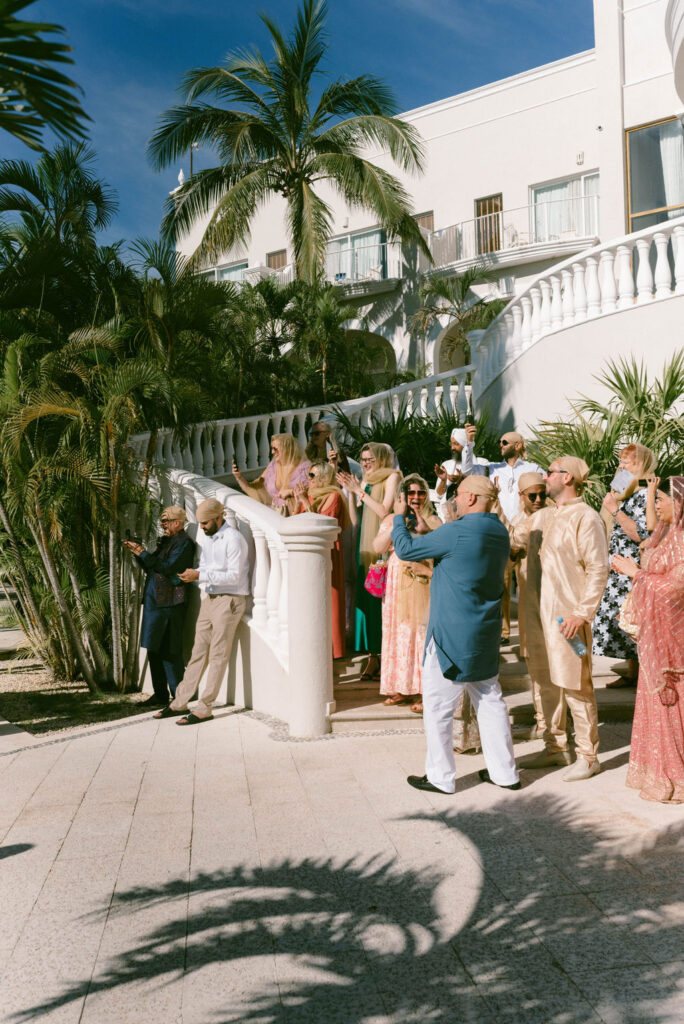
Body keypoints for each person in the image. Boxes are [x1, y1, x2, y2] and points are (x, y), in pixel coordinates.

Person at [393, 475, 520, 795]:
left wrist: (398, 518)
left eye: (459, 495)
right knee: (491, 702)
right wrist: (431, 532)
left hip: (450, 635)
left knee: (437, 706)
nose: (455, 501)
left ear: (473, 499)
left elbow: (405, 550)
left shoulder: (457, 531)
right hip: (484, 632)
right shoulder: (498, 531)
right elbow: (459, 552)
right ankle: (505, 774)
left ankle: (441, 777)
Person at [515, 457, 609, 780]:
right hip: (541, 617)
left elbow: (599, 569)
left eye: (551, 472)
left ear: (567, 477)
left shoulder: (587, 517)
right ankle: (555, 748)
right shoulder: (544, 516)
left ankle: (588, 754)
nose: (545, 477)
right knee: (545, 679)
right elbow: (512, 538)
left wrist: (581, 614)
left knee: (577, 683)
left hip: (570, 622)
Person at [613, 477, 684, 804]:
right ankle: (657, 770)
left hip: (675, 641)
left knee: (672, 701)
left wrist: (635, 573)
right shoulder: (668, 535)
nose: (656, 505)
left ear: (679, 504)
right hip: (658, 635)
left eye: (662, 499)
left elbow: (673, 589)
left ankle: (676, 776)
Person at [154, 497, 250, 725]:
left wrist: (201, 575)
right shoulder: (209, 538)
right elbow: (206, 566)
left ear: (219, 518)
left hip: (231, 600)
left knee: (218, 654)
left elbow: (235, 576)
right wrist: (194, 573)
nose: (203, 527)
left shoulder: (234, 539)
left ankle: (205, 707)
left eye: (206, 523)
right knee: (198, 653)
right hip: (211, 597)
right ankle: (179, 702)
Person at [461, 422, 543, 643]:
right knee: (502, 584)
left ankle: (531, 634)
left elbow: (542, 493)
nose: (500, 445)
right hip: (500, 530)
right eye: (500, 442)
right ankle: (504, 632)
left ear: (517, 445)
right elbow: (468, 471)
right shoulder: (492, 468)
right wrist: (469, 444)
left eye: (504, 442)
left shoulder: (533, 469)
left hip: (526, 530)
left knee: (529, 586)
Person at [372, 474, 441, 711]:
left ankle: (423, 690)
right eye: (410, 493)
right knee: (396, 632)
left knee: (420, 634)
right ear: (403, 495)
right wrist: (397, 520)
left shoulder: (434, 519)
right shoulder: (393, 518)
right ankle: (400, 688)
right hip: (395, 582)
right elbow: (377, 547)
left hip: (421, 580)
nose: (416, 497)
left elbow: (441, 549)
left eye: (420, 493)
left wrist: (427, 529)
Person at [593, 443, 656, 685]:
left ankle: (641, 675)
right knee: (624, 619)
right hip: (619, 566)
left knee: (633, 619)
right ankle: (633, 672)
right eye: (621, 461)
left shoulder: (645, 491)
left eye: (627, 462)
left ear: (640, 465)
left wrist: (616, 509)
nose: (621, 466)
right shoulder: (628, 489)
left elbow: (641, 533)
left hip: (633, 567)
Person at [338, 443, 401, 680]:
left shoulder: (392, 477)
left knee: (382, 603)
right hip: (364, 545)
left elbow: (385, 511)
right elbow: (359, 515)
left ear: (382, 458)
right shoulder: (365, 479)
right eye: (363, 459)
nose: (365, 463)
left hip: (383, 547)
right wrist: (350, 492)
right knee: (366, 600)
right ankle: (372, 655)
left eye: (370, 459)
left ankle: (385, 656)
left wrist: (361, 489)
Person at [124, 506, 196, 708]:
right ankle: (160, 694)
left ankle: (179, 696)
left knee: (170, 650)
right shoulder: (167, 542)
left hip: (171, 603)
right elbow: (152, 566)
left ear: (177, 523)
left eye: (166, 521)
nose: (163, 525)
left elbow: (168, 569)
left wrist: (144, 553)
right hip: (155, 602)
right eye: (162, 522)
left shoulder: (184, 544)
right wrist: (138, 554)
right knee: (154, 648)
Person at [509, 473, 550, 738]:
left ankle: (562, 724)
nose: (537, 500)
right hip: (530, 602)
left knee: (574, 655)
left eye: (541, 495)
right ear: (521, 496)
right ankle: (544, 722)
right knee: (535, 662)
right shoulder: (516, 522)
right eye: (531, 495)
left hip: (560, 607)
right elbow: (510, 555)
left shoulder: (554, 516)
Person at [294, 461, 349, 659]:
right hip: (307, 555)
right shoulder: (308, 495)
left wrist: (305, 501)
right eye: (308, 475)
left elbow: (320, 524)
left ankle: (334, 649)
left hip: (329, 551)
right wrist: (299, 501)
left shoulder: (333, 496)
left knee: (330, 596)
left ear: (324, 478)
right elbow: (296, 521)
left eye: (312, 475)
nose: (308, 479)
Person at [232, 433, 310, 511]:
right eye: (272, 448)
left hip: (295, 515)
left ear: (287, 449)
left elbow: (311, 492)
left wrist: (290, 492)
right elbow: (255, 487)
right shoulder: (273, 466)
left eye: (275, 449)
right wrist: (238, 476)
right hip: (274, 513)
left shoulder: (305, 468)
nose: (272, 452)